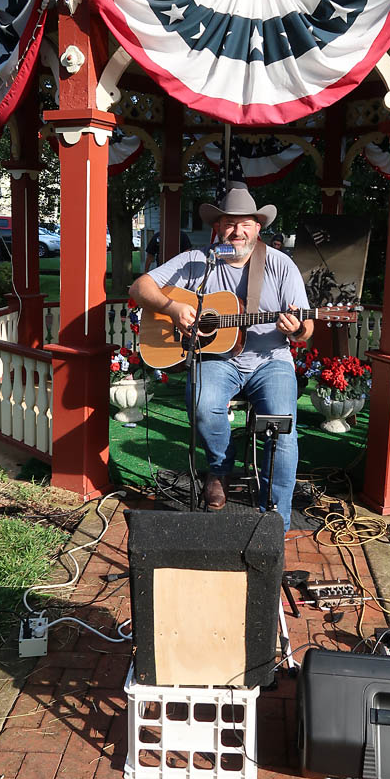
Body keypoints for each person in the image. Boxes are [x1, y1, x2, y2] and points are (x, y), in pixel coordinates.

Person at [130, 182, 313, 531]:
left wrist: (298, 329)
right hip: (217, 359)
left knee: (282, 430)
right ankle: (220, 468)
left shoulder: (280, 265)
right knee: (202, 404)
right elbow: (140, 287)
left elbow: (307, 329)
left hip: (270, 359)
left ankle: (276, 519)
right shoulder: (198, 261)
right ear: (217, 227)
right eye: (229, 223)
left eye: (245, 224)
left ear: (258, 227)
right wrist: (173, 308)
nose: (237, 231)